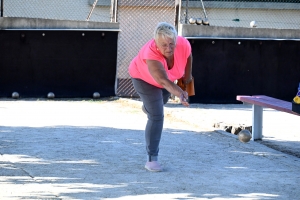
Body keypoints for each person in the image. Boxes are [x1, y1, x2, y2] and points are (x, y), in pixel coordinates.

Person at [128, 22, 193, 172]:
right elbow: (162, 80)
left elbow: (189, 55)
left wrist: (187, 78)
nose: (168, 48)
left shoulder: (183, 44)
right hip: (143, 78)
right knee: (157, 115)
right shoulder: (150, 53)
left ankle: (148, 107)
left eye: (171, 44)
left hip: (167, 81)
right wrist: (180, 93)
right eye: (163, 45)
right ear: (156, 43)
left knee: (160, 102)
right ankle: (152, 159)